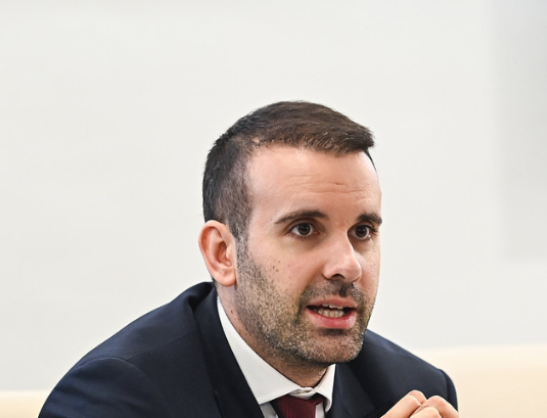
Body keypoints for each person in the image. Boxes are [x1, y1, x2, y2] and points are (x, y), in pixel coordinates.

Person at [38, 101, 459, 418]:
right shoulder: (114, 399)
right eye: (304, 229)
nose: (347, 266)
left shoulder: (414, 390)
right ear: (223, 254)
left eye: (362, 232)